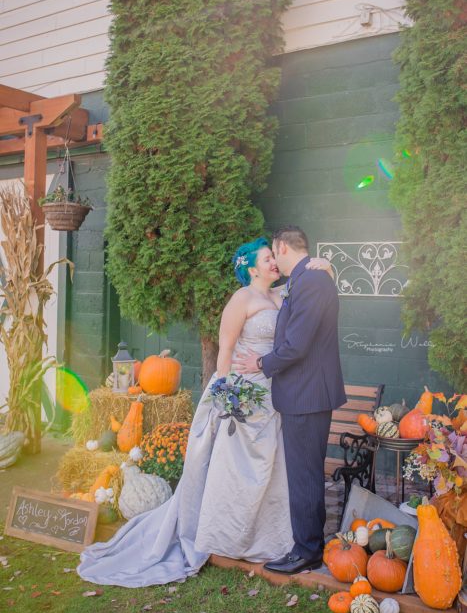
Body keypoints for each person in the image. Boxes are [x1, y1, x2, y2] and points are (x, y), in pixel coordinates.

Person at [77, 238, 331, 587]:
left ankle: (273, 540)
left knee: (274, 470)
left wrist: (327, 265)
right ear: (252, 269)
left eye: (275, 256)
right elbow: (225, 350)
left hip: (276, 394)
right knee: (239, 469)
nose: (274, 262)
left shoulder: (283, 294)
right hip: (244, 394)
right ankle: (230, 537)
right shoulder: (241, 299)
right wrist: (227, 396)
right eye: (267, 258)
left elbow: (307, 290)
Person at [235, 226, 346, 575]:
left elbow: (297, 345)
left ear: (282, 246)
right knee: (306, 474)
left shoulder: (311, 282)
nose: (274, 260)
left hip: (306, 395)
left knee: (305, 476)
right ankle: (310, 545)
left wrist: (260, 363)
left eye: (273, 252)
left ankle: (307, 551)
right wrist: (327, 266)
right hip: (305, 394)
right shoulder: (306, 278)